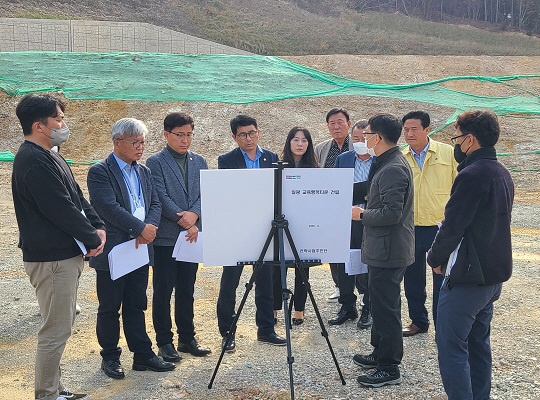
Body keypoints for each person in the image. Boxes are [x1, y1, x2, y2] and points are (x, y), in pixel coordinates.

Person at [12, 94, 106, 400]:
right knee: (55, 330)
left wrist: (98, 227)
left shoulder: (50, 153)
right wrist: (93, 239)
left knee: (59, 324)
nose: (63, 124)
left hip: (64, 254)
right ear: (39, 125)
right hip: (52, 259)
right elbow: (60, 208)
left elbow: (77, 196)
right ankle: (47, 394)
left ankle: (55, 388)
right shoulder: (32, 160)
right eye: (58, 119)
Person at [427, 110, 514, 400]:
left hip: (467, 278)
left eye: (457, 136)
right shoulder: (502, 172)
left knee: (452, 348)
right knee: (478, 344)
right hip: (492, 277)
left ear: (470, 139)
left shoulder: (471, 175)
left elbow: (453, 226)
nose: (456, 143)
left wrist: (434, 258)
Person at [87, 118, 175, 380]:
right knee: (110, 306)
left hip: (139, 248)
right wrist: (140, 228)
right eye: (134, 142)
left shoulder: (144, 171)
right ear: (117, 142)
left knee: (136, 303)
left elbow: (155, 203)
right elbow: (107, 207)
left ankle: (143, 354)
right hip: (115, 249)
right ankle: (111, 357)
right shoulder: (100, 171)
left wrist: (149, 227)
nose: (140, 147)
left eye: (142, 142)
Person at [351, 114, 414, 388]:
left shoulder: (393, 168)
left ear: (377, 137)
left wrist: (361, 215)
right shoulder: (387, 162)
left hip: (389, 250)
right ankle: (379, 353)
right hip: (383, 248)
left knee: (387, 308)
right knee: (379, 302)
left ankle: (389, 366)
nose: (364, 140)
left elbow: (391, 213)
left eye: (367, 135)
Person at [216, 114, 286, 352]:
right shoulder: (226, 160)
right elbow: (227, 194)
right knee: (230, 282)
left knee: (265, 281)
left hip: (265, 228)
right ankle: (227, 332)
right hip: (237, 229)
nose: (248, 138)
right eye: (243, 134)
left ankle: (265, 329)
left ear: (259, 132)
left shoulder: (272, 157)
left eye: (252, 133)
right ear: (234, 137)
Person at [146, 112, 211, 361]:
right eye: (179, 135)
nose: (185, 140)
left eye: (189, 135)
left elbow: (205, 194)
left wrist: (194, 215)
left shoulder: (199, 161)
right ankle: (164, 341)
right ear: (166, 135)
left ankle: (187, 337)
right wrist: (184, 219)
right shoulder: (155, 163)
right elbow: (159, 196)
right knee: (163, 290)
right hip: (166, 237)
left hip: (192, 236)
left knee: (187, 288)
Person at [401, 111, 458, 337]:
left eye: (414, 129)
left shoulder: (448, 153)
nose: (409, 133)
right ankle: (418, 321)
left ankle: (441, 324)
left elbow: (459, 186)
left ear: (427, 130)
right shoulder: (400, 156)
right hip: (410, 227)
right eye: (405, 129)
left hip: (439, 227)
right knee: (412, 278)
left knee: (442, 278)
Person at [328, 120, 373, 329]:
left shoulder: (380, 159)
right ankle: (347, 305)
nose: (360, 142)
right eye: (356, 139)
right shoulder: (343, 159)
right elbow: (335, 187)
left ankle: (369, 307)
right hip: (346, 217)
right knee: (344, 262)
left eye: (364, 138)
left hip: (370, 218)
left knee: (371, 263)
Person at [272, 127, 319, 326]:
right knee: (277, 268)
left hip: (305, 224)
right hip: (280, 223)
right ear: (288, 142)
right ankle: (274, 309)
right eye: (296, 140)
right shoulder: (278, 165)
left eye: (304, 141)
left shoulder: (315, 169)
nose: (300, 144)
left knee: (302, 268)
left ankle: (299, 310)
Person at [314, 108, 354, 302]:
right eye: (332, 123)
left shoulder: (358, 146)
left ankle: (360, 288)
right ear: (328, 126)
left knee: (355, 245)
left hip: (355, 203)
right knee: (332, 245)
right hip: (329, 204)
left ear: (349, 123)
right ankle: (339, 285)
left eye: (340, 122)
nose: (336, 127)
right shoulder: (322, 148)